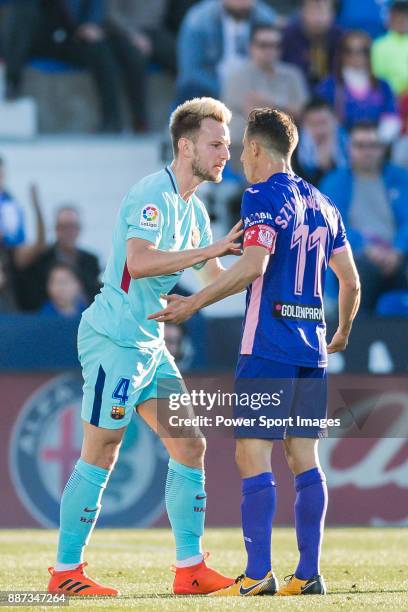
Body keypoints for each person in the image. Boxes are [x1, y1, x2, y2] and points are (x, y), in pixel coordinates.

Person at [149, 108, 361, 596]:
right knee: (304, 456)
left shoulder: (263, 195)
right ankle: (307, 575)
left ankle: (258, 572)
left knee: (252, 455)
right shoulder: (325, 204)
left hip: (268, 346)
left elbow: (252, 266)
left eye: (243, 148)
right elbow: (349, 279)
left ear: (260, 150)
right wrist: (342, 331)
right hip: (313, 349)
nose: (240, 157)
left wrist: (194, 303)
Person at [47, 97, 243, 597]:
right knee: (102, 450)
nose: (227, 153)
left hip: (149, 343)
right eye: (216, 143)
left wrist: (266, 263)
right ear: (185, 145)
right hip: (113, 338)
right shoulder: (152, 194)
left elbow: (216, 280)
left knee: (189, 444)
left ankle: (190, 568)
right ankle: (65, 573)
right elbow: (140, 262)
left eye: (229, 144)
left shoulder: (195, 210)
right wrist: (213, 248)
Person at [320, 122, 408, 313]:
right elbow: (332, 225)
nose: (367, 152)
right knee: (360, 275)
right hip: (357, 257)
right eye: (360, 146)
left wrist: (398, 251)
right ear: (348, 148)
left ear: (383, 149)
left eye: (373, 146)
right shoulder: (334, 183)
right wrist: (367, 249)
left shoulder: (401, 178)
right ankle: (359, 336)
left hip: (399, 256)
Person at [3, 0, 122, 132]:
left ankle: (112, 119)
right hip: (40, 39)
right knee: (24, 11)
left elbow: (95, 10)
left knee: (99, 50)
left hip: (70, 37)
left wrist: (90, 26)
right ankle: (12, 82)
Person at [224, 23, 309, 171]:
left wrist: (270, 102)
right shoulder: (237, 77)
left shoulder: (292, 75)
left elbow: (304, 114)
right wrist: (285, 109)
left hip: (292, 144)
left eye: (275, 45)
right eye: (263, 45)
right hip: (248, 148)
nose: (270, 51)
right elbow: (253, 117)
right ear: (251, 47)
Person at [176, 0, 276, 103]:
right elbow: (191, 71)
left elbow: (274, 63)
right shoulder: (198, 20)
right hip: (211, 90)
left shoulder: (265, 18)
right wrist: (230, 92)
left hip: (253, 87)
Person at [106, 0, 178, 132]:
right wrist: (133, 35)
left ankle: (189, 114)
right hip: (123, 33)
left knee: (180, 56)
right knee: (135, 60)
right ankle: (140, 121)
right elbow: (112, 15)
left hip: (155, 31)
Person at [317, 30, 400, 140]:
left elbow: (392, 119)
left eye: (363, 51)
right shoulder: (329, 86)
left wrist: (375, 142)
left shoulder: (383, 86)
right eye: (349, 50)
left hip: (377, 146)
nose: (356, 55)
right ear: (341, 54)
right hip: (340, 148)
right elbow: (320, 120)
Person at [19, 205, 100, 311]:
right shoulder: (41, 260)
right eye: (64, 227)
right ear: (56, 229)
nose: (69, 232)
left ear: (79, 229)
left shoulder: (91, 261)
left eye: (73, 227)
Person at [281, 0, 343, 88]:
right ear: (301, 13)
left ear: (333, 14)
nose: (317, 18)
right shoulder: (288, 36)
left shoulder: (339, 36)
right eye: (312, 11)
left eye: (322, 11)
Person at [293, 98, 347, 185]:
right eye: (313, 124)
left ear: (334, 121)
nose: (320, 130)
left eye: (324, 122)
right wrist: (320, 169)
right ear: (304, 126)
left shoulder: (350, 142)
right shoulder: (293, 151)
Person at [372, 0, 408, 97]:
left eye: (405, 18)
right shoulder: (379, 45)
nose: (402, 22)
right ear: (390, 18)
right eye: (398, 18)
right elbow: (377, 76)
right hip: (389, 96)